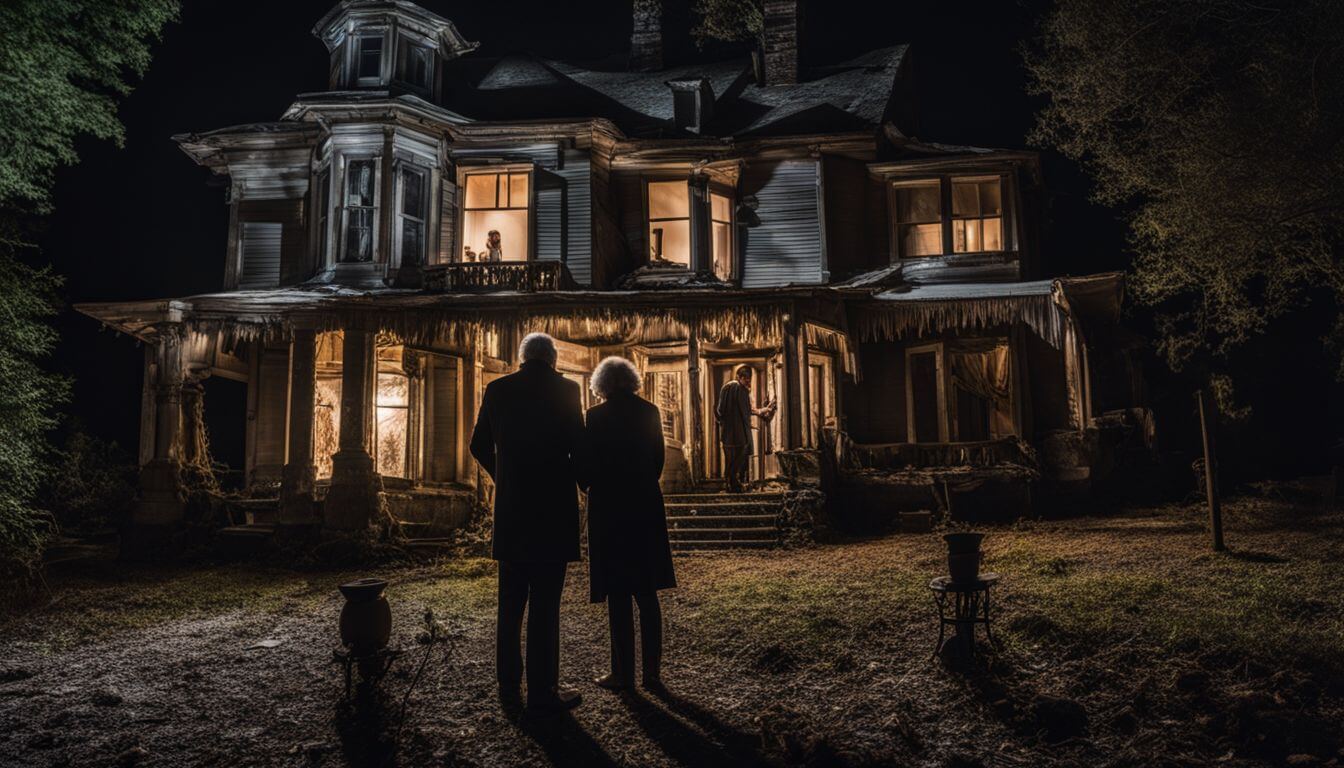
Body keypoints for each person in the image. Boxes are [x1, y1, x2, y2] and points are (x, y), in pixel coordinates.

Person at [469, 332, 585, 712]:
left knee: (511, 602)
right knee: (545, 604)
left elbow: (478, 445)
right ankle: (542, 689)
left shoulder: (498, 389)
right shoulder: (567, 391)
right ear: (552, 360)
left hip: (513, 511)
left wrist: (504, 477)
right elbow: (579, 449)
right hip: (553, 511)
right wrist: (584, 482)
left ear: (522, 358)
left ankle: (507, 683)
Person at [578, 357, 677, 691]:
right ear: (632, 381)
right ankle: (652, 675)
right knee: (647, 594)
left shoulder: (595, 416)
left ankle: (622, 674)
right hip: (644, 506)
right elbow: (658, 460)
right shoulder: (649, 412)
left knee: (618, 594)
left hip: (609, 510)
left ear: (601, 384)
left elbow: (586, 468)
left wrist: (591, 484)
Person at [714, 364, 769, 493]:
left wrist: (724, 422)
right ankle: (735, 484)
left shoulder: (725, 388)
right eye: (747, 379)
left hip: (726, 434)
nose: (748, 382)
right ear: (740, 377)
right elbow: (746, 412)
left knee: (729, 460)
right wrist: (762, 411)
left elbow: (719, 410)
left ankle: (728, 484)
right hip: (740, 435)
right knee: (739, 459)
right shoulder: (742, 390)